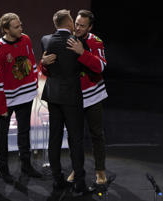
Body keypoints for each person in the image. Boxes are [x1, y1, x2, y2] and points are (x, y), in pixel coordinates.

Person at [43, 9, 109, 186]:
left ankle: (100, 170)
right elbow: (52, 70)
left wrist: (83, 52)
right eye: (77, 24)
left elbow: (101, 67)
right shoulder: (64, 39)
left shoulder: (95, 42)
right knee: (75, 136)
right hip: (72, 98)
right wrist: (44, 64)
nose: (78, 28)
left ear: (90, 27)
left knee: (96, 134)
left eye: (82, 26)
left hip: (93, 95)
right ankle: (77, 169)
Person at [0, 13, 41, 183]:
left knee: (24, 132)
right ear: (6, 29)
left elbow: (32, 61)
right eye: (16, 27)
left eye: (20, 25)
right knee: (2, 136)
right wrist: (0, 107)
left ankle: (26, 166)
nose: (21, 29)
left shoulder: (25, 39)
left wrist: (34, 84)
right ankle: (3, 169)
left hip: (26, 95)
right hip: (7, 100)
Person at [40, 9, 87, 194]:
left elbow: (47, 61)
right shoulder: (78, 43)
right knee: (75, 139)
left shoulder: (45, 40)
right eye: (73, 22)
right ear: (69, 24)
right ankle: (80, 183)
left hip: (53, 95)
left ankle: (58, 180)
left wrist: (44, 61)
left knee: (55, 137)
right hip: (71, 97)